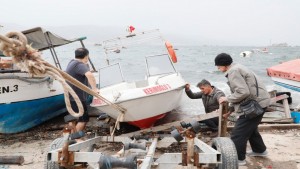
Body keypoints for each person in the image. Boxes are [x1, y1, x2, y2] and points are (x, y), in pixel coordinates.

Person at [214, 53, 271, 166]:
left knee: (238, 134)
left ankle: (239, 160)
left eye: (219, 66)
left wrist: (227, 98)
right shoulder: (238, 67)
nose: (218, 68)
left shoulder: (233, 71)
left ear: (225, 65)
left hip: (255, 105)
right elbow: (244, 91)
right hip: (261, 101)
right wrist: (230, 109)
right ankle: (260, 151)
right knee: (250, 129)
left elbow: (243, 92)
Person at [66, 48, 99, 132]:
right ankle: (75, 138)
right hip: (77, 98)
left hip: (70, 96)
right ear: (87, 56)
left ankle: (68, 136)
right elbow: (89, 75)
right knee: (83, 119)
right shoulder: (79, 65)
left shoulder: (71, 62)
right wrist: (94, 89)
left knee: (72, 118)